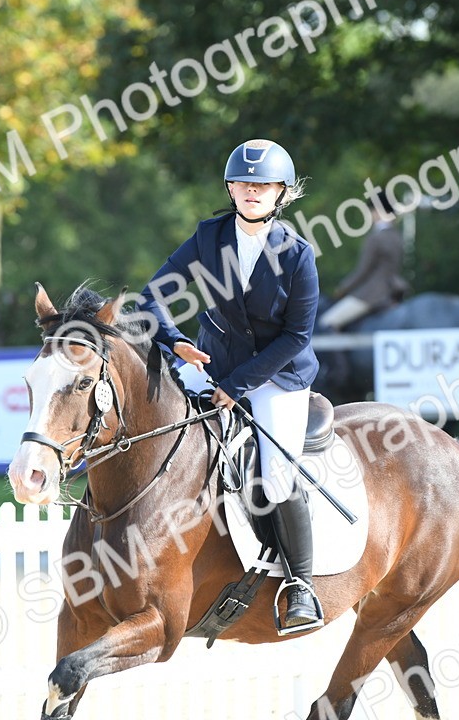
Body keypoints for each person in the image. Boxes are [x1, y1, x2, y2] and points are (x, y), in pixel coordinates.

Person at [138, 138, 322, 631]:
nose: (252, 191)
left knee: (277, 474)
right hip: (211, 362)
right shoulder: (209, 236)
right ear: (231, 188)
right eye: (243, 183)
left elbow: (296, 336)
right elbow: (149, 297)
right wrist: (176, 343)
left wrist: (237, 386)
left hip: (275, 376)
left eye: (263, 185)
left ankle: (301, 586)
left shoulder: (297, 254)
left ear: (281, 192)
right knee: (156, 429)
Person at [317, 193, 408, 331]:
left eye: (371, 211)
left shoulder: (376, 238)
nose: (370, 216)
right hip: (393, 293)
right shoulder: (397, 237)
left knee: (327, 322)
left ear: (377, 211)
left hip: (371, 295)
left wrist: (342, 289)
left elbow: (363, 271)